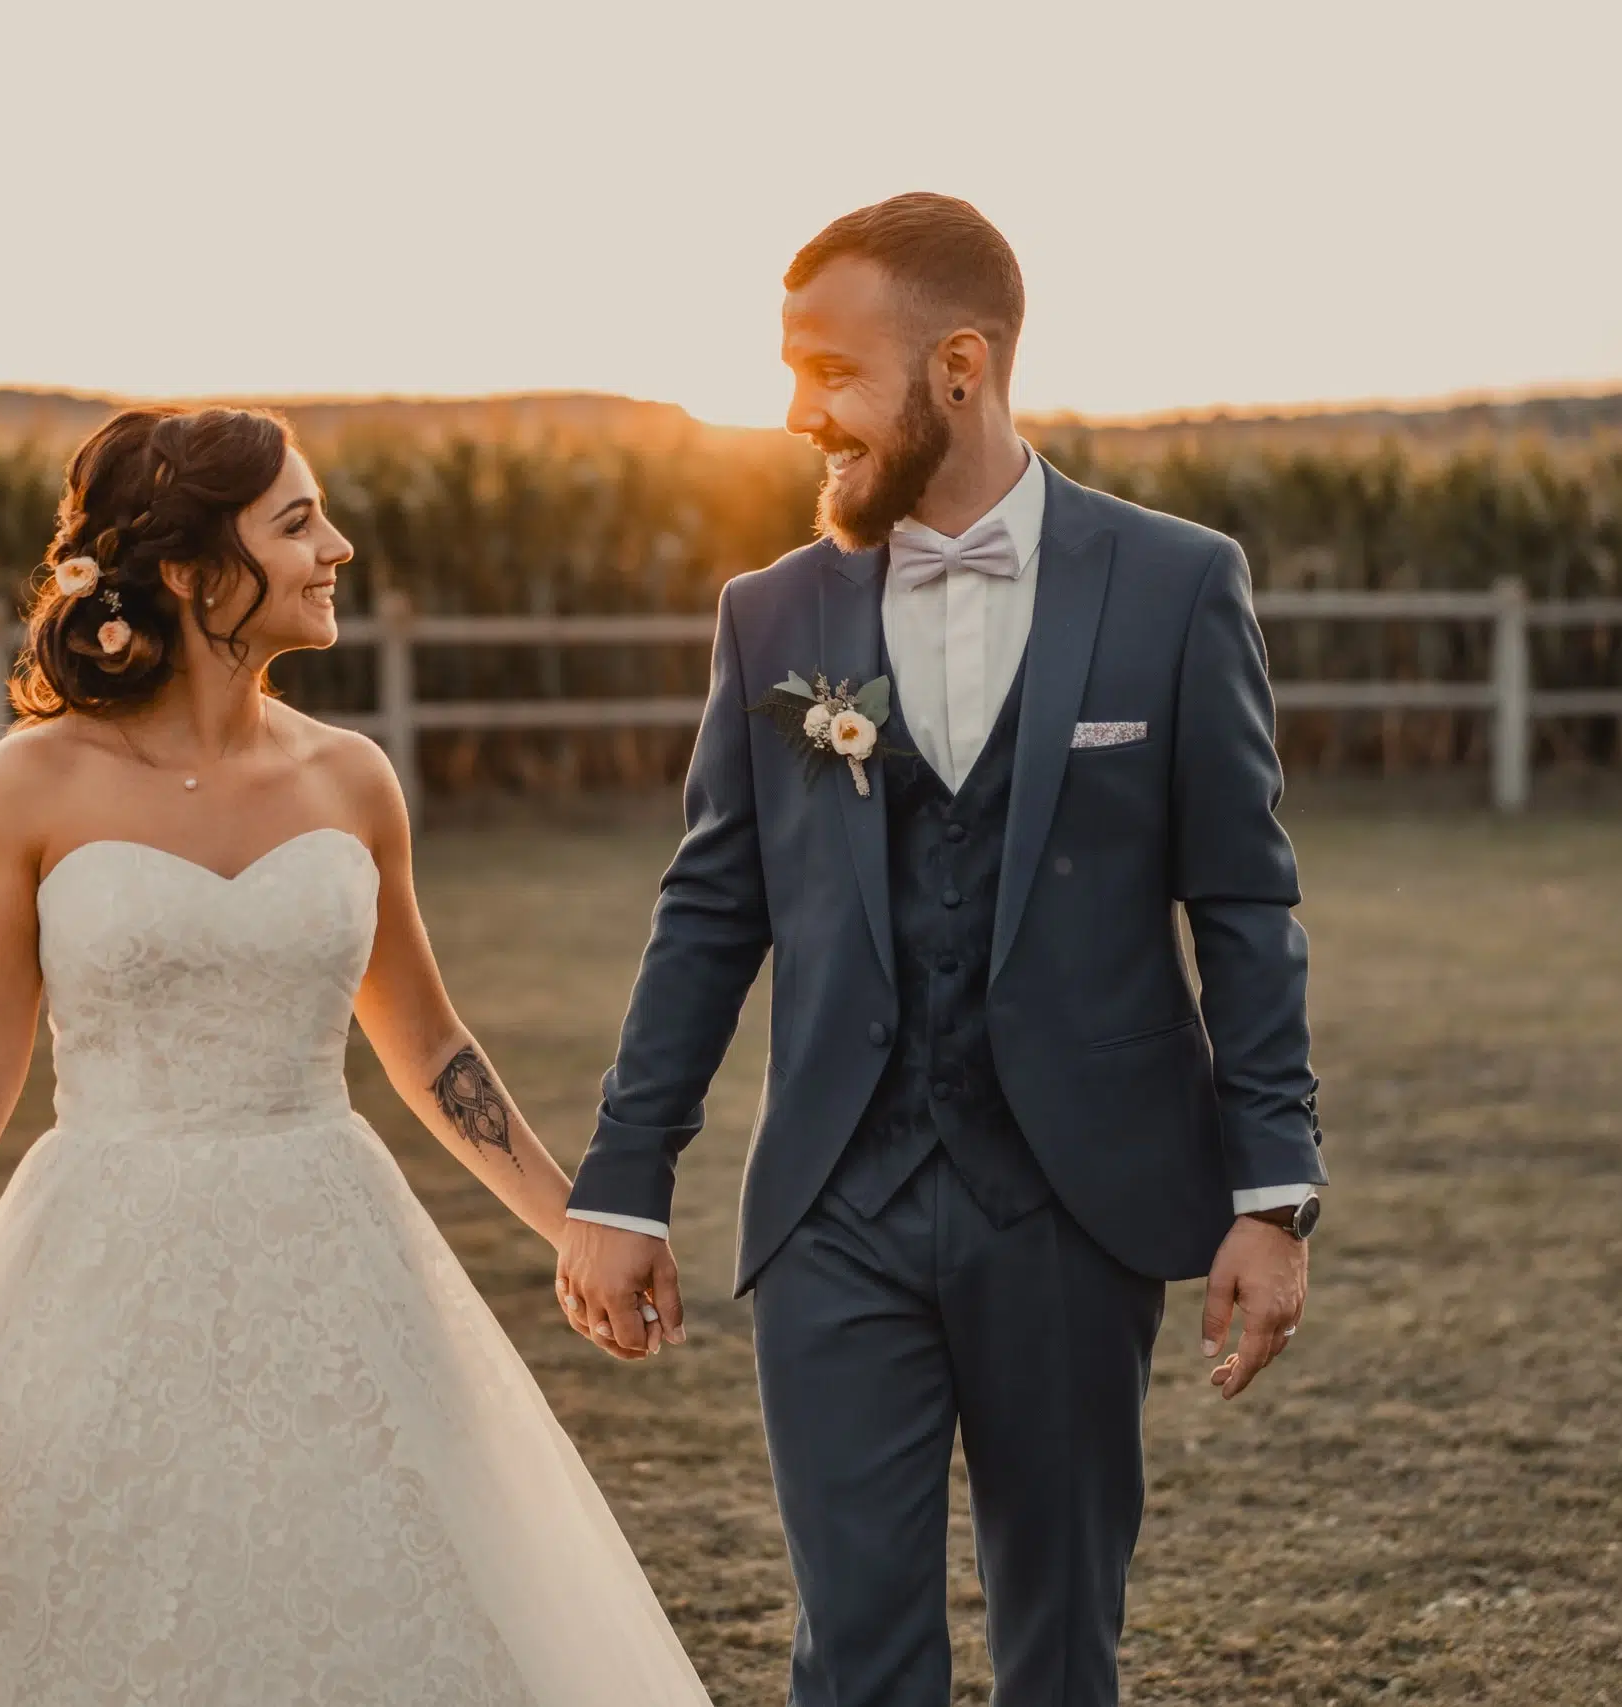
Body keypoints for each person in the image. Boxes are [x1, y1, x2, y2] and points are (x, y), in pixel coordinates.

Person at [0, 406, 710, 1705]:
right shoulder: (32, 785)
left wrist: (574, 1224)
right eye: (298, 524)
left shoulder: (353, 779)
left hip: (330, 1248)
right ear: (191, 572)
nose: (337, 548)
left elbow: (426, 1041)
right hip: (97, 1259)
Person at [555, 193, 1328, 1707]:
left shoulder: (1175, 584)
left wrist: (1272, 1192)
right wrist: (624, 1178)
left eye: (833, 373)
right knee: (855, 1656)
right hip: (836, 1208)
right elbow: (711, 910)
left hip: (1075, 1202)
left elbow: (1245, 904)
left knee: (1061, 1648)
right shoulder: (774, 614)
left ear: (960, 368)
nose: (800, 413)